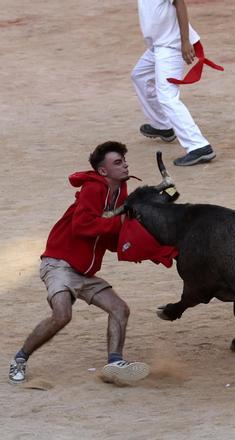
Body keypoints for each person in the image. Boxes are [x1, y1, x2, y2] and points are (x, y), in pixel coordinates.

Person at [8, 141, 150, 385]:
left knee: (119, 309)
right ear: (103, 171)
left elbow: (109, 237)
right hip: (59, 265)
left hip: (83, 272)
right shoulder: (93, 189)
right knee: (62, 315)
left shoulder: (120, 193)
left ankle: (115, 363)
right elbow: (83, 226)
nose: (125, 165)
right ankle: (19, 359)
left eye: (124, 160)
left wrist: (137, 243)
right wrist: (120, 224)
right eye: (117, 162)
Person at [132, 0, 217, 166]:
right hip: (158, 46)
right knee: (139, 76)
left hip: (171, 46)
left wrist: (185, 41)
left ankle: (199, 146)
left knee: (167, 97)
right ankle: (163, 126)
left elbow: (180, 3)